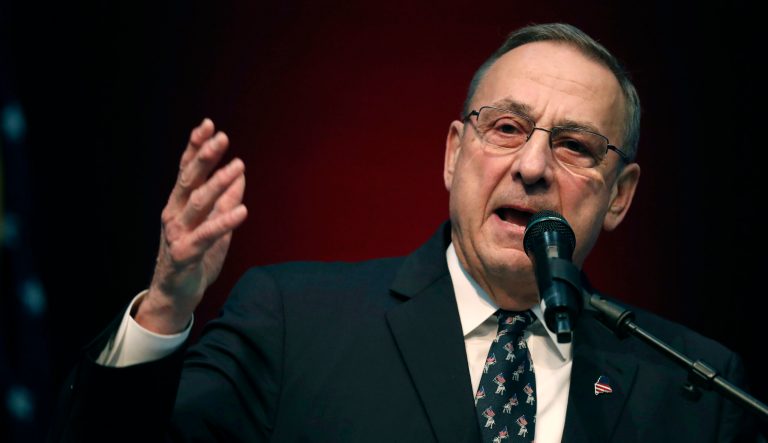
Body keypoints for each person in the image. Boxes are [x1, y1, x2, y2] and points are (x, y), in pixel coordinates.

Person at [48, 23, 759, 442]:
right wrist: (167, 307)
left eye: (575, 144)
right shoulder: (295, 321)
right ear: (453, 154)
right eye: (506, 128)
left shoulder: (695, 386)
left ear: (620, 196)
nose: (534, 166)